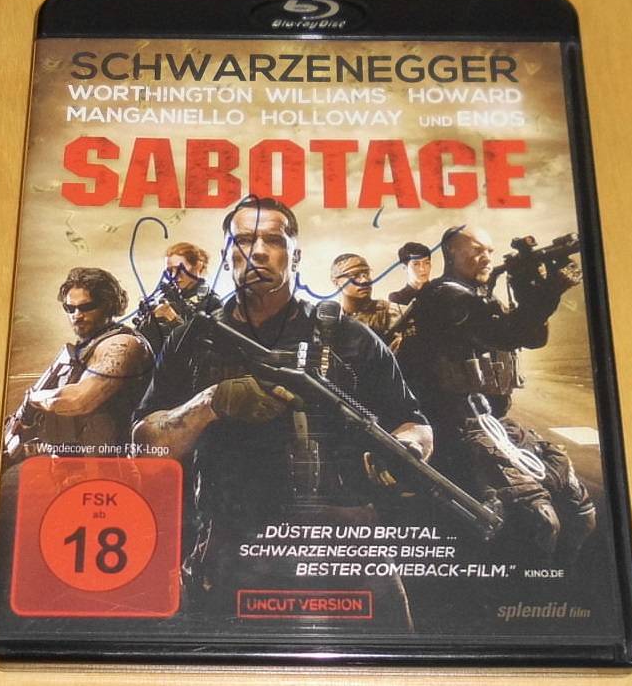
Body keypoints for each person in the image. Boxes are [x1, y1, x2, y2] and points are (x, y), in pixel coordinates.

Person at [132, 197, 432, 629]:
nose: (257, 251)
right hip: (232, 545)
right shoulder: (190, 341)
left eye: (273, 240)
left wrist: (406, 449)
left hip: (343, 545)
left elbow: (413, 421)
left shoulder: (348, 338)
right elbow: (145, 447)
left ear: (296, 255)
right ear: (226, 256)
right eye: (244, 240)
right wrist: (210, 403)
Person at [399, 226, 596, 561]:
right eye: (476, 250)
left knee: (580, 508)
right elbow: (503, 333)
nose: (486, 257)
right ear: (451, 253)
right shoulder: (444, 297)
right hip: (456, 428)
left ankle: (559, 579)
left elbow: (532, 337)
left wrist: (529, 289)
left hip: (494, 423)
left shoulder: (479, 296)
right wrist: (546, 292)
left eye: (490, 251)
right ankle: (520, 584)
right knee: (538, 520)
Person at [3, 267, 152, 461]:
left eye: (86, 307)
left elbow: (78, 401)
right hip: (71, 462)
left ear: (108, 305)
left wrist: (32, 399)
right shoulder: (84, 349)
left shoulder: (123, 343)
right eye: (70, 308)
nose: (77, 315)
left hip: (112, 465)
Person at [135, 241, 222, 354]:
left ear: (198, 266)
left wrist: (173, 319)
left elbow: (208, 348)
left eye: (180, 269)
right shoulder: (165, 297)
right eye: (170, 271)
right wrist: (149, 321)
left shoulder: (212, 302)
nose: (174, 276)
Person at [330, 253, 402, 342]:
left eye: (366, 274)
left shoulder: (395, 313)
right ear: (336, 282)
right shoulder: (330, 321)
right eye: (354, 275)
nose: (365, 280)